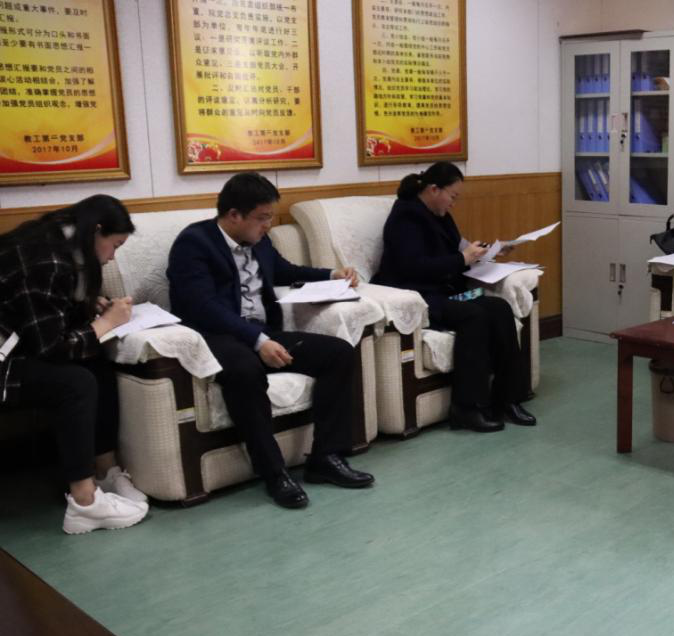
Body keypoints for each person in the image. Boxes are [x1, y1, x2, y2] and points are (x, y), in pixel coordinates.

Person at [167, 172, 374, 508]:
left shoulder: (260, 241)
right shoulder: (194, 244)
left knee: (338, 353)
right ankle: (274, 472)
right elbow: (202, 306)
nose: (268, 226)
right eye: (262, 218)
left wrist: (331, 274)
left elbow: (284, 270)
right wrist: (257, 340)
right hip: (218, 338)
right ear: (234, 215)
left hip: (263, 332)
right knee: (246, 371)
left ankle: (326, 457)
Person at [0, 195, 149, 534]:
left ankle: (105, 472)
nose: (112, 257)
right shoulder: (47, 259)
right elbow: (50, 347)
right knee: (75, 383)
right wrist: (106, 323)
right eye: (114, 245)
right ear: (96, 231)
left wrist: (91, 310)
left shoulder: (58, 240)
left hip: (12, 347)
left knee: (95, 361)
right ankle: (84, 502)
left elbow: (41, 315)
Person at [371, 162, 535, 433]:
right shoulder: (405, 218)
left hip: (448, 292)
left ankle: (507, 399)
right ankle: (466, 408)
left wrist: (488, 252)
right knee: (474, 316)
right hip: (420, 297)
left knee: (499, 307)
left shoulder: (441, 214)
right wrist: (462, 258)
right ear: (434, 189)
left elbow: (460, 247)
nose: (453, 203)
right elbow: (413, 267)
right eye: (453, 196)